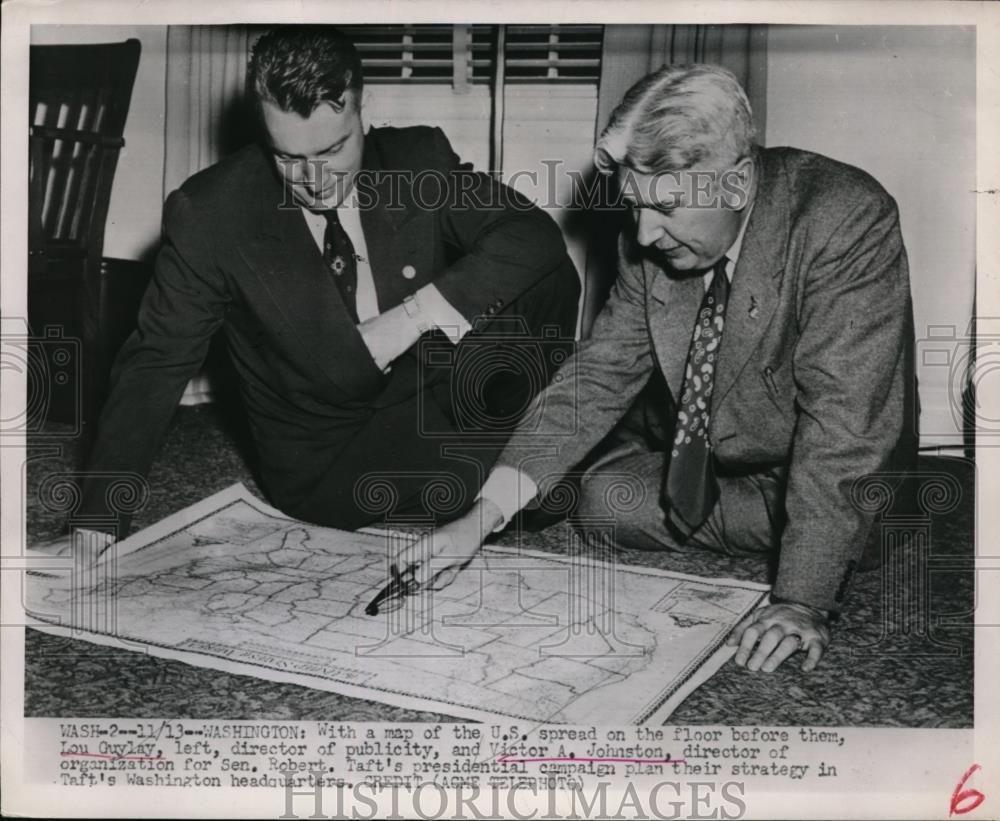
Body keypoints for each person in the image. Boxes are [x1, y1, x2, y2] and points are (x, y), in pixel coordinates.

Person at [400, 64, 916, 674]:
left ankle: (819, 547)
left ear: (737, 184)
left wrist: (801, 599)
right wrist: (479, 519)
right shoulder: (649, 236)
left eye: (668, 206)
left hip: (839, 471)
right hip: (731, 470)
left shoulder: (846, 220)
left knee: (834, 526)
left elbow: (845, 429)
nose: (644, 236)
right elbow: (596, 376)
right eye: (633, 206)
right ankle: (768, 526)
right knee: (601, 502)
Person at [70, 26, 580, 539]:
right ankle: (520, 464)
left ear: (363, 107)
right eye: (289, 158)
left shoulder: (416, 159)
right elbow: (157, 359)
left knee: (548, 277)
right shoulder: (210, 213)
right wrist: (97, 520)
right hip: (331, 453)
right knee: (554, 485)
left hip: (429, 394)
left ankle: (514, 451)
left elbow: (531, 236)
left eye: (333, 151)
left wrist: (410, 317)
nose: (315, 183)